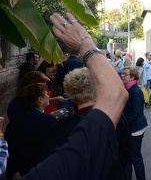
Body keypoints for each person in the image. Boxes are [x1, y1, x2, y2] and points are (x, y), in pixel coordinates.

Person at [23, 12, 129, 179]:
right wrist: (84, 43)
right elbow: (116, 94)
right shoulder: (113, 118)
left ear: (70, 93)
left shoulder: (61, 128)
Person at [42, 67, 132, 180]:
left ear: (70, 94)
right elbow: (126, 150)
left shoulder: (62, 126)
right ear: (97, 89)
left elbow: (52, 161)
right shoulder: (115, 115)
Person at [6, 83, 56, 179]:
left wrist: (16, 170)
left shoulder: (19, 118)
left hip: (17, 169)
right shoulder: (47, 120)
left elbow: (14, 147)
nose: (48, 95)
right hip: (34, 170)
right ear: (40, 99)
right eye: (46, 94)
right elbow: (45, 148)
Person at [122, 66, 148, 180]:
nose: (122, 76)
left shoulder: (135, 91)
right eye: (122, 73)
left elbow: (136, 114)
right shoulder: (127, 88)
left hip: (136, 130)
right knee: (127, 157)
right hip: (129, 129)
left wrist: (120, 121)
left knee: (135, 157)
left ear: (132, 77)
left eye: (125, 74)